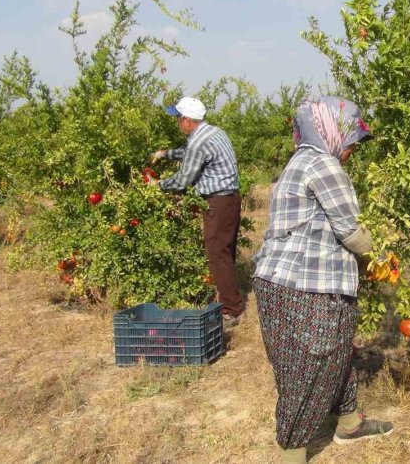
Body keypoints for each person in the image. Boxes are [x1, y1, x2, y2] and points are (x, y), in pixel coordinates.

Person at [252, 96, 393, 464]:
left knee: (331, 354)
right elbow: (351, 232)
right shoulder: (325, 165)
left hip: (276, 282)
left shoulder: (299, 160)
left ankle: (348, 422)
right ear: (332, 130)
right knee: (309, 370)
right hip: (308, 288)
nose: (351, 151)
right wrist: (378, 260)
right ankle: (293, 454)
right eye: (350, 142)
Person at [149, 96, 245, 328]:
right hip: (231, 198)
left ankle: (232, 310)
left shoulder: (198, 142)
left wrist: (158, 185)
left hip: (218, 201)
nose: (177, 123)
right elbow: (189, 152)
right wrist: (166, 153)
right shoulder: (213, 132)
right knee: (225, 250)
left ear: (188, 121)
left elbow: (184, 179)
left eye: (179, 118)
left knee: (217, 253)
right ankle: (232, 299)